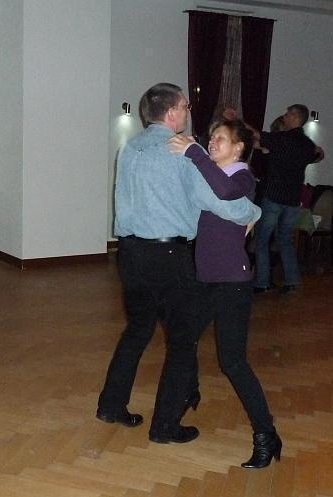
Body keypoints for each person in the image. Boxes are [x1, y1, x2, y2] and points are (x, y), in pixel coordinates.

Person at [96, 83, 261, 444]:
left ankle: (110, 405)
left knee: (137, 331)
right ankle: (165, 426)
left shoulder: (129, 148)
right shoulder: (181, 149)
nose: (188, 112)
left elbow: (125, 201)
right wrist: (253, 212)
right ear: (172, 112)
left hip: (130, 253)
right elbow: (217, 202)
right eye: (185, 106)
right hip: (169, 257)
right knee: (183, 343)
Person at [168, 120, 281, 469]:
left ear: (239, 148)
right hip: (204, 279)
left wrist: (195, 153)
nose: (213, 142)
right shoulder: (212, 175)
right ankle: (188, 392)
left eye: (221, 139)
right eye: (211, 137)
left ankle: (266, 435)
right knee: (182, 340)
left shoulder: (242, 177)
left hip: (232, 282)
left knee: (232, 362)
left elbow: (229, 194)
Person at [225, 105, 321, 294]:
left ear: (295, 117)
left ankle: (262, 282)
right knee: (285, 240)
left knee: (262, 240)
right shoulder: (307, 144)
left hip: (275, 197)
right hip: (293, 200)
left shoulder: (282, 139)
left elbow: (256, 134)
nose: (285, 117)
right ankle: (292, 281)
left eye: (288, 114)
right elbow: (318, 155)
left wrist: (236, 120)